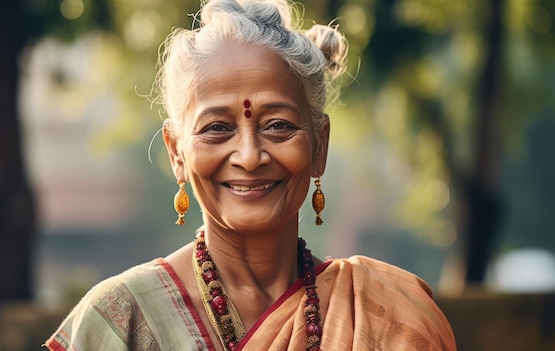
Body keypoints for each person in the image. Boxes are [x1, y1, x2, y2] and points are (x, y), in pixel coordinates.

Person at [45, 0, 457, 350]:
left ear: (319, 146)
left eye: (278, 125)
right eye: (217, 128)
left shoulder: (391, 316)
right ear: (176, 153)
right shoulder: (123, 320)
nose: (249, 155)